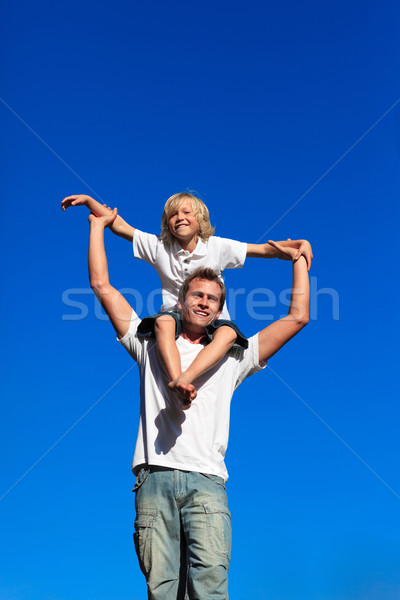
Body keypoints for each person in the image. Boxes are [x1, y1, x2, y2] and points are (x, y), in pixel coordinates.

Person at [87, 207, 310, 599]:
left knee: (209, 591)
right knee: (163, 592)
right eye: (198, 295)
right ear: (182, 299)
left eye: (213, 298)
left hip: (207, 482)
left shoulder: (234, 356)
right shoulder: (149, 344)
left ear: (219, 309)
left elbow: (297, 318)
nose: (205, 302)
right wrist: (97, 228)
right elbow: (102, 286)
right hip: (154, 478)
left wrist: (298, 260)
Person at [62, 192, 313, 405]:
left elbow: (262, 249)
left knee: (228, 335)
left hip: (213, 321)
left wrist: (299, 245)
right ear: (166, 222)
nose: (179, 218)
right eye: (173, 215)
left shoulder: (216, 246)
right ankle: (177, 379)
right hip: (175, 314)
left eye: (186, 213)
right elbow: (118, 226)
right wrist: (90, 202)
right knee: (163, 323)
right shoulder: (159, 245)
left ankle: (189, 376)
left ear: (200, 220)